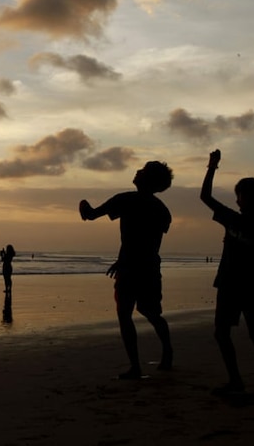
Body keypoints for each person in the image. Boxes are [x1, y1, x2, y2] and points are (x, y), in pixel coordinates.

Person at [200, 149, 254, 403]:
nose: (238, 200)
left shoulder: (239, 221)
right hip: (244, 286)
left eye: (240, 195)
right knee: (244, 334)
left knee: (239, 334)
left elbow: (205, 196)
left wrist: (212, 166)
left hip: (236, 286)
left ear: (245, 199)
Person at [79, 161, 174, 380]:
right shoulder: (162, 210)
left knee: (124, 314)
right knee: (151, 313)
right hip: (149, 265)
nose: (137, 172)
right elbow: (149, 241)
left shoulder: (125, 199)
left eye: (141, 171)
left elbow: (91, 215)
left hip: (131, 266)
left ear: (147, 179)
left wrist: (83, 205)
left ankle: (135, 367)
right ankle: (167, 351)